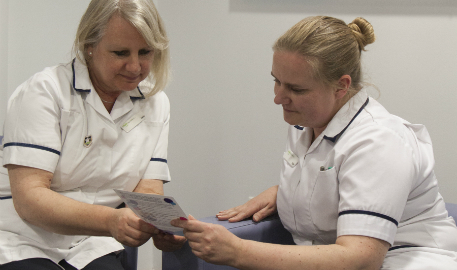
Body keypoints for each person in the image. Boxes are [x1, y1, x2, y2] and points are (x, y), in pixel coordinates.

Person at [171, 16, 457, 269]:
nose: (278, 98)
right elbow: (330, 183)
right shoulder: (305, 123)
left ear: (341, 86)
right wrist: (286, 193)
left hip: (410, 259)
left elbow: (361, 259)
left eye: (296, 89)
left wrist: (238, 252)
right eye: (276, 81)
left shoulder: (378, 141)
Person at [0, 0, 186, 269]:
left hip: (90, 242)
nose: (135, 67)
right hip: (21, 236)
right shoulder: (44, 92)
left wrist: (160, 225)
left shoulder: (155, 102)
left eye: (145, 52)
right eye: (121, 53)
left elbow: (148, 187)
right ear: (89, 46)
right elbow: (30, 200)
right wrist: (110, 220)